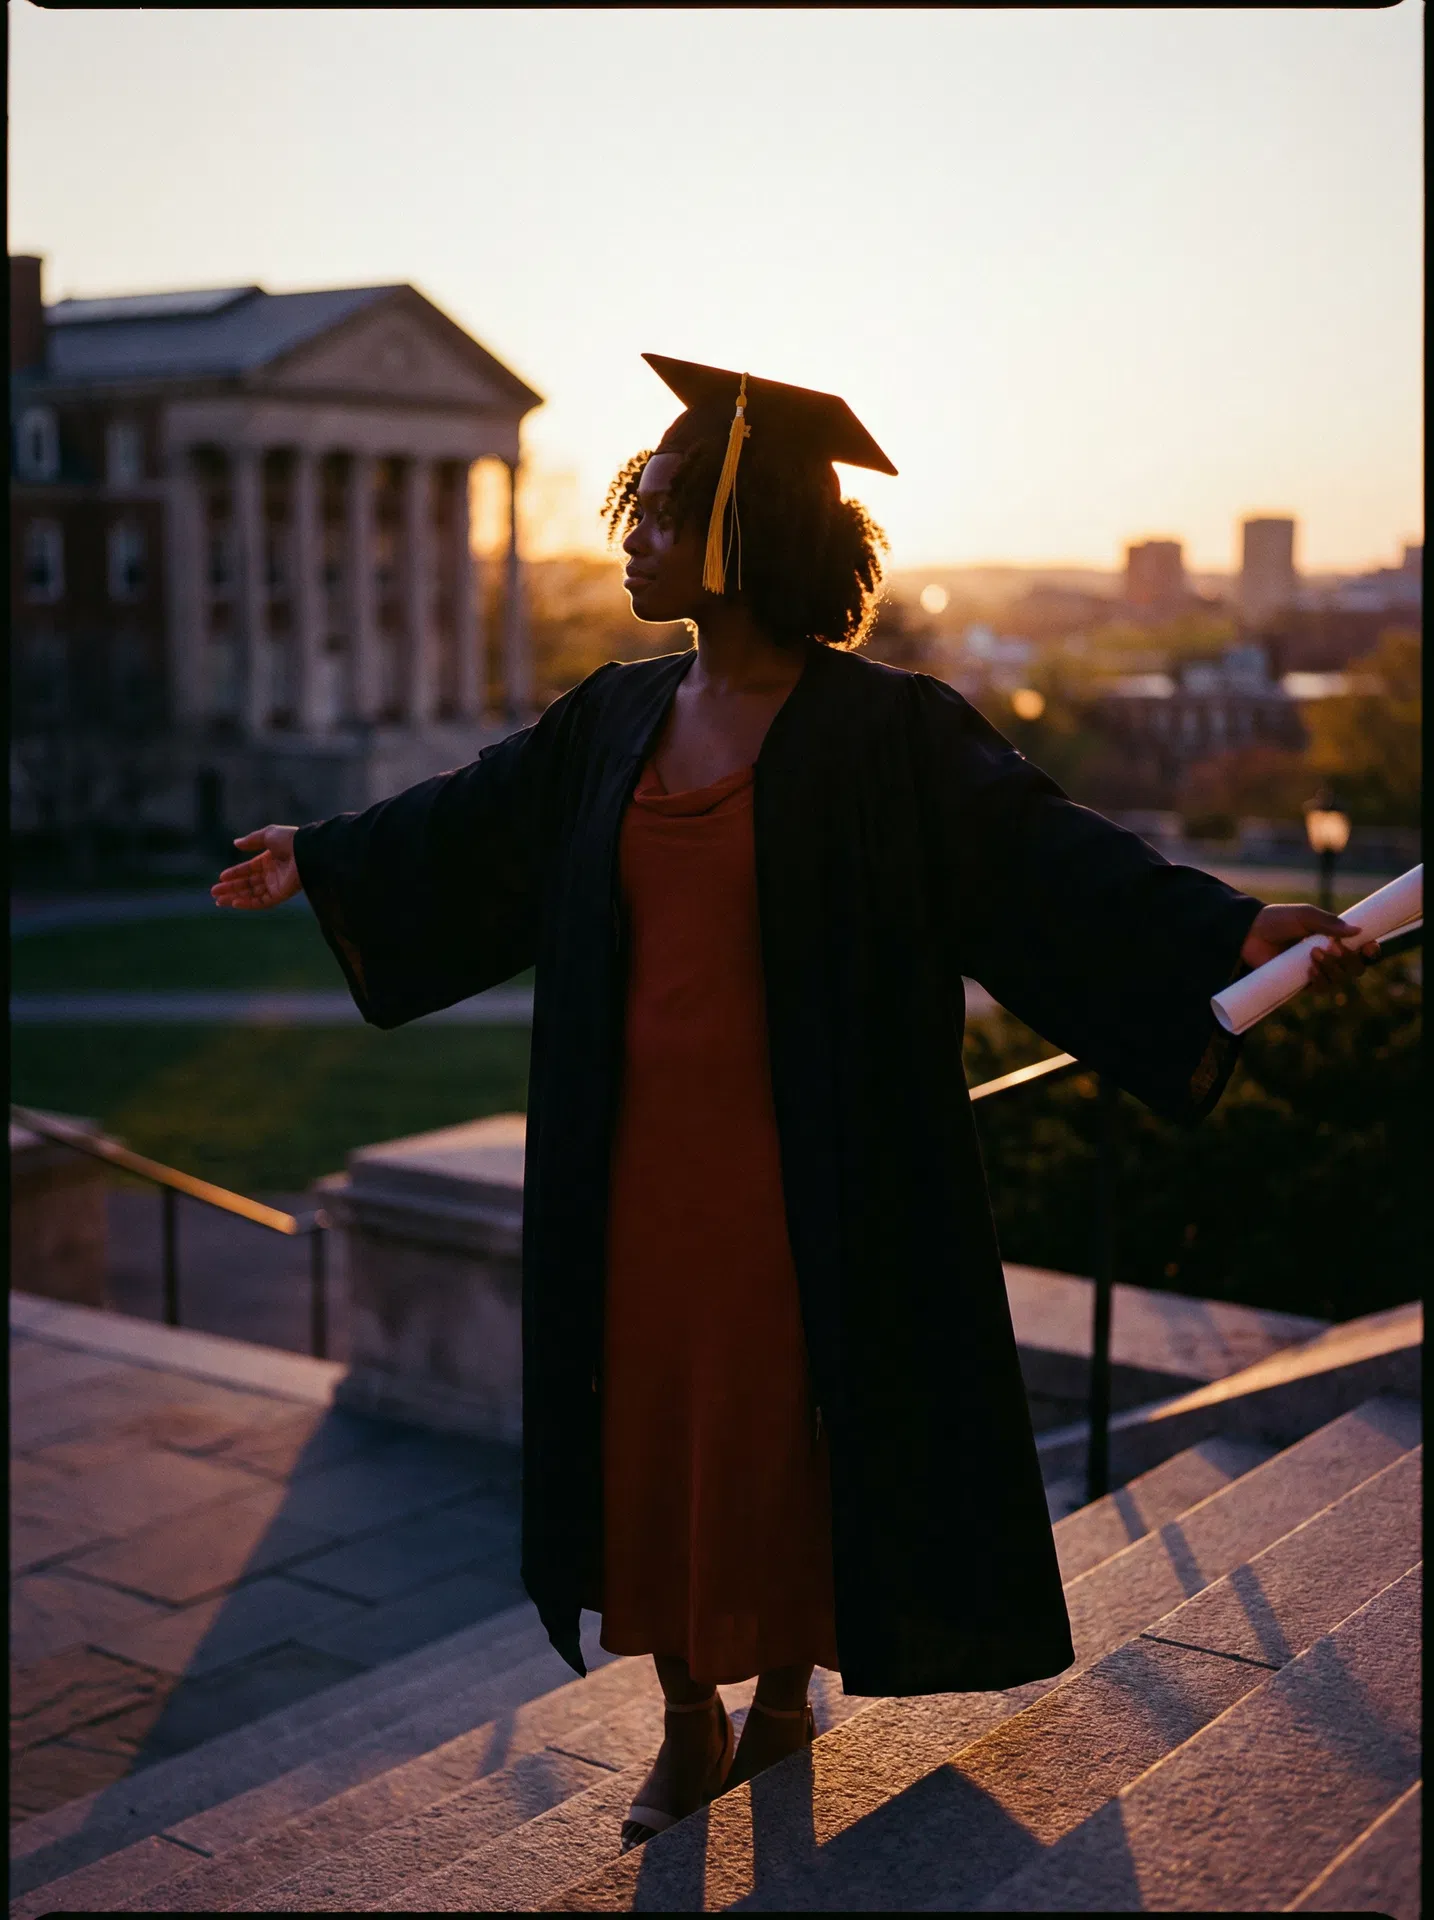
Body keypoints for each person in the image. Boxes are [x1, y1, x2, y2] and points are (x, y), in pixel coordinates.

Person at [213, 355, 1378, 1851]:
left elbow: (1050, 861)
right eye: (632, 510)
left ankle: (774, 1700)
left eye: (654, 512)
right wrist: (325, 851)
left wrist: (1228, 929)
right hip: (625, 1165)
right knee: (643, 1436)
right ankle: (688, 1719)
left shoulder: (884, 735)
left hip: (802, 1171)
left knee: (769, 1440)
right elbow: (471, 819)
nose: (624, 537)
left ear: (736, 537)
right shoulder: (612, 718)